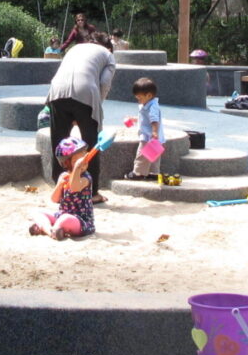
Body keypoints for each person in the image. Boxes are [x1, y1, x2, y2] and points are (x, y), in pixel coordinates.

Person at [46, 32, 116, 202]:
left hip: (56, 91)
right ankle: (92, 194)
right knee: (92, 144)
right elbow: (104, 84)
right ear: (108, 47)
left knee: (59, 142)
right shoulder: (108, 55)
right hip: (85, 92)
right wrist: (93, 107)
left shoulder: (75, 48)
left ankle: (61, 189)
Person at [29, 136, 95, 239]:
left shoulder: (86, 177)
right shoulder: (63, 176)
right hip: (62, 214)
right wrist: (59, 185)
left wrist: (77, 168)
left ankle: (51, 229)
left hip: (81, 221)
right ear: (66, 163)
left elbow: (75, 187)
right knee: (36, 212)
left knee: (65, 219)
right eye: (77, 161)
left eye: (84, 159)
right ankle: (50, 230)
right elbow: (54, 199)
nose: (82, 163)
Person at [125, 77, 164, 181]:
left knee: (142, 155)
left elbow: (154, 119)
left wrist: (154, 132)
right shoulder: (148, 104)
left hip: (148, 136)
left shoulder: (152, 107)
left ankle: (138, 173)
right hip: (154, 138)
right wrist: (134, 119)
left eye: (140, 98)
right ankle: (153, 173)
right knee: (154, 155)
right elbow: (145, 118)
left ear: (149, 95)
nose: (138, 100)